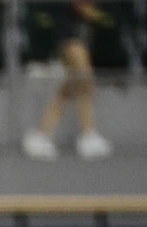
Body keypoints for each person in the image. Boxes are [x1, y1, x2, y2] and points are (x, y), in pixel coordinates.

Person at [22, 1, 113, 160]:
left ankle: (40, 134)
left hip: (77, 31)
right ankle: (88, 134)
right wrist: (92, 12)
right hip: (67, 32)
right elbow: (81, 6)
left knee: (70, 86)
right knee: (84, 78)